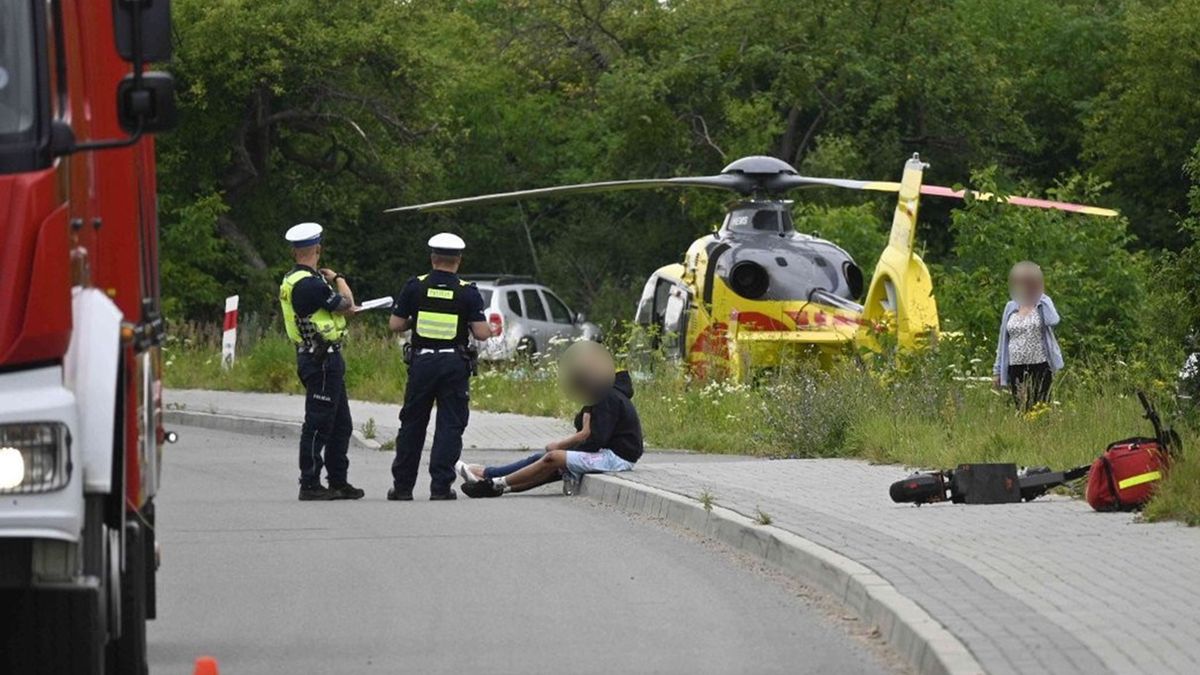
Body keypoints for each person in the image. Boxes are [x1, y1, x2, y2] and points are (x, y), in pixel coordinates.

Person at [387, 233, 495, 501]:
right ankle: (440, 487)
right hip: (453, 364)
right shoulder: (467, 291)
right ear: (458, 260)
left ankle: (402, 488)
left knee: (412, 424)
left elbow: (395, 325)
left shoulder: (415, 286)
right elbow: (481, 333)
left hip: (422, 363)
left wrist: (416, 319)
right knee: (450, 425)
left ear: (433, 258)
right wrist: (489, 328)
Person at [458, 368, 643, 498]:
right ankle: (494, 481)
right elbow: (582, 426)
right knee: (547, 460)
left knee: (553, 458)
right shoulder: (601, 397)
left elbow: (595, 438)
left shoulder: (607, 397)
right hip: (607, 452)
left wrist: (566, 450)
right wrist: (587, 410)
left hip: (617, 457)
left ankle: (495, 482)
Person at [279, 222, 365, 501]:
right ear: (318, 248)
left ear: (294, 252)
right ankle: (310, 483)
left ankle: (338, 481)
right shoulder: (310, 284)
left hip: (319, 357)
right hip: (321, 359)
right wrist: (338, 278)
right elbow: (348, 304)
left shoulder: (292, 279)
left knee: (341, 425)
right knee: (318, 423)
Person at [992, 261, 1063, 411]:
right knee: (1022, 407)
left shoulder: (1042, 303)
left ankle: (1043, 433)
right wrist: (997, 371)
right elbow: (1002, 341)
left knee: (1041, 407)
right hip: (1016, 365)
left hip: (1040, 364)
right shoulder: (1011, 307)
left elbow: (1053, 320)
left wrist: (1042, 296)